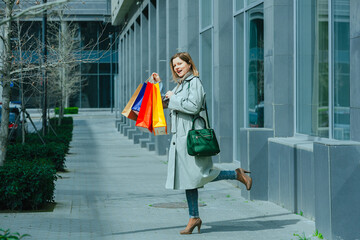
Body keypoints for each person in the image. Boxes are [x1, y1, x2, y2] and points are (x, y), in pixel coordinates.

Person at [152, 52, 252, 235]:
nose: (177, 67)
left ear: (189, 64)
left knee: (200, 174)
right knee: (188, 180)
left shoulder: (194, 83)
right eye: (174, 65)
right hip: (181, 139)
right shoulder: (181, 85)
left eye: (180, 63)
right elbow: (166, 104)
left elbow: (193, 106)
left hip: (192, 138)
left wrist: (173, 98)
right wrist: (159, 86)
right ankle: (194, 218)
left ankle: (236, 174)